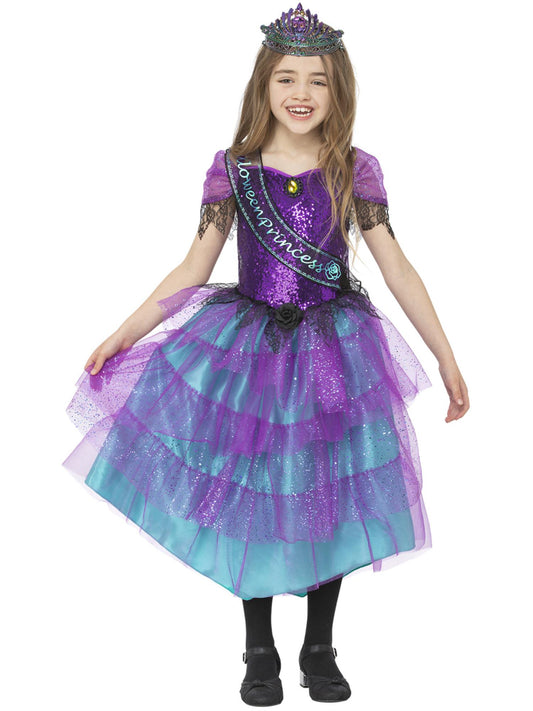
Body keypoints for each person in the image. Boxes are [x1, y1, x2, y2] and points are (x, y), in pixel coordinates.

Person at [64, 3, 469, 706]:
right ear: (264, 85)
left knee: (327, 490)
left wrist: (446, 356)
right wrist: (123, 332)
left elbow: (397, 268)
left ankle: (319, 645)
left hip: (333, 353)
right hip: (250, 353)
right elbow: (193, 267)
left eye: (318, 80)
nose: (301, 93)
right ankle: (258, 647)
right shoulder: (234, 171)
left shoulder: (352, 169)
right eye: (287, 78)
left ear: (338, 90)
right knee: (251, 490)